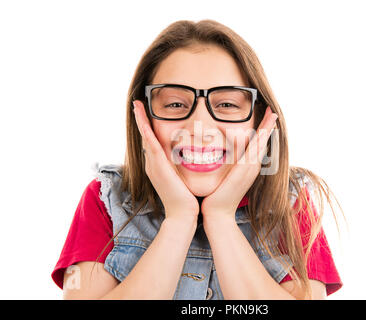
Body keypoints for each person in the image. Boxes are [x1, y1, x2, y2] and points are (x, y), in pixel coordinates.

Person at [51, 19, 343, 300]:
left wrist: (221, 218)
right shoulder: (105, 201)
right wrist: (179, 220)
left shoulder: (290, 203)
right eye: (175, 104)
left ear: (259, 118)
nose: (198, 128)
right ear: (143, 116)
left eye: (227, 104)